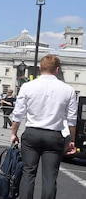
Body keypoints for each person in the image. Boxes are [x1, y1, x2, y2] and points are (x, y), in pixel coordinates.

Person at [10, 54, 78, 199]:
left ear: (40, 68)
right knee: (50, 176)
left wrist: (13, 133)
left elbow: (18, 114)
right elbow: (72, 119)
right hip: (54, 135)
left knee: (28, 172)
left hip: (32, 133)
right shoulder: (68, 90)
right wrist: (72, 140)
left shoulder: (28, 86)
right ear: (57, 69)